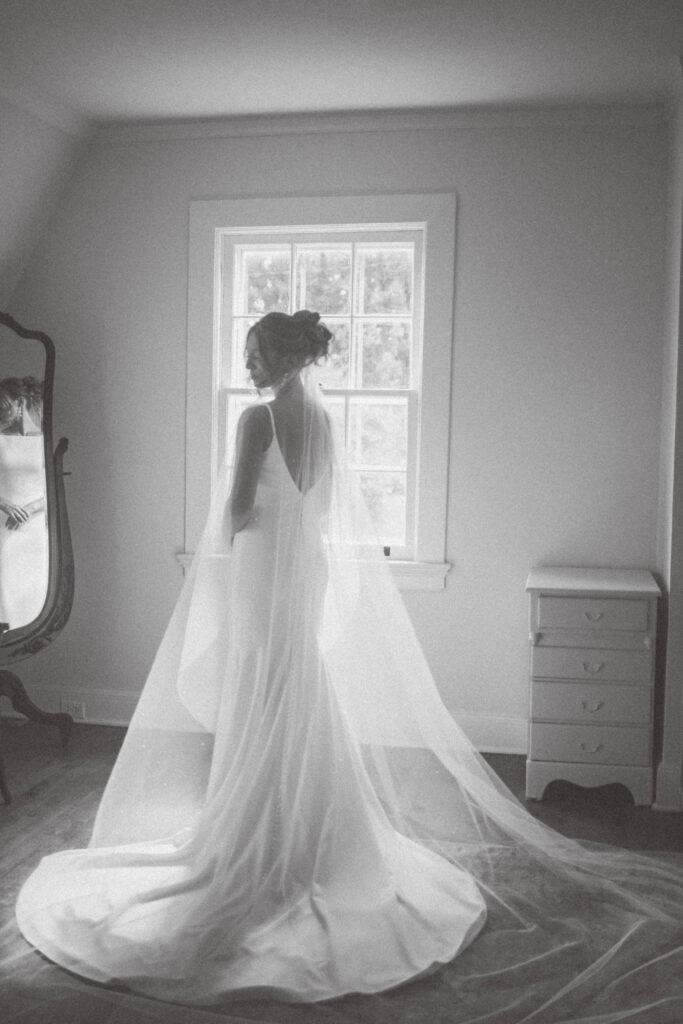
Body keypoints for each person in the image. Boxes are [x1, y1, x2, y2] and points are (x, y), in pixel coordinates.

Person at [13, 314, 683, 1019]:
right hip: (303, 570)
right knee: (295, 686)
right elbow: (323, 508)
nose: (246, 366)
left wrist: (223, 541)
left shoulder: (255, 422)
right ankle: (310, 835)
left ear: (281, 357)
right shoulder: (326, 427)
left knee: (260, 689)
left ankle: (256, 833)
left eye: (253, 354)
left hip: (260, 569)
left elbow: (238, 508)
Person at [0, 376, 48, 629]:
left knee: (33, 589)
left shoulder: (43, 439)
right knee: (5, 586)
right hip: (2, 526)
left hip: (35, 528)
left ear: (19, 403)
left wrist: (30, 509)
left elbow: (52, 489)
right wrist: (5, 504)